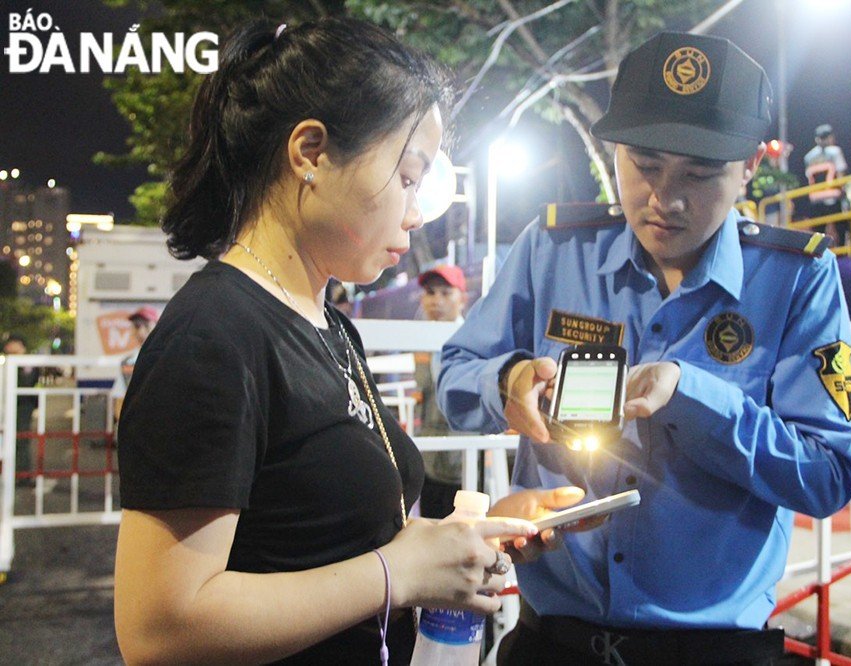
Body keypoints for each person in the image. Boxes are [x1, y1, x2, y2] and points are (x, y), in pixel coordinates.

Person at [112, 18, 535, 665]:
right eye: (408, 176)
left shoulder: (327, 323)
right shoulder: (215, 334)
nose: (416, 210)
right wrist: (398, 574)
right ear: (310, 151)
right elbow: (161, 629)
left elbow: (328, 524)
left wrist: (486, 523)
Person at [438, 31, 851, 665]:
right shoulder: (554, 250)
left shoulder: (796, 278)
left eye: (699, 174)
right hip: (552, 643)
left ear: (750, 165)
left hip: (714, 651)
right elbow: (455, 375)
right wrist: (506, 383)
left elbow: (829, 473)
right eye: (643, 164)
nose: (665, 199)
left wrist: (691, 396)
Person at [414, 265, 468, 518]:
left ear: (462, 299)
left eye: (446, 293)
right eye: (431, 292)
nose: (437, 301)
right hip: (429, 461)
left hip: (463, 462)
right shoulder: (421, 341)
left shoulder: (471, 343)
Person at [2, 335, 40, 487]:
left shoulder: (26, 362)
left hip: (22, 407)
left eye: (10, 344)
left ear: (19, 345)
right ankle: (13, 473)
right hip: (9, 406)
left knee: (21, 439)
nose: (7, 347)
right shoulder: (8, 361)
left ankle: (22, 475)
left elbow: (27, 383)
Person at [803, 123, 849, 244]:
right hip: (833, 197)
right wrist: (845, 193)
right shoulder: (835, 151)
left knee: (818, 233)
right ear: (830, 137)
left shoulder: (809, 156)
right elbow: (840, 173)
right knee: (840, 228)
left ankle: (817, 257)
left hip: (816, 199)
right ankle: (842, 256)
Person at [110, 306, 158, 420]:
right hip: (136, 427)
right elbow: (120, 399)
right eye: (136, 326)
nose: (138, 331)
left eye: (143, 325)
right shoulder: (127, 363)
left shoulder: (168, 358)